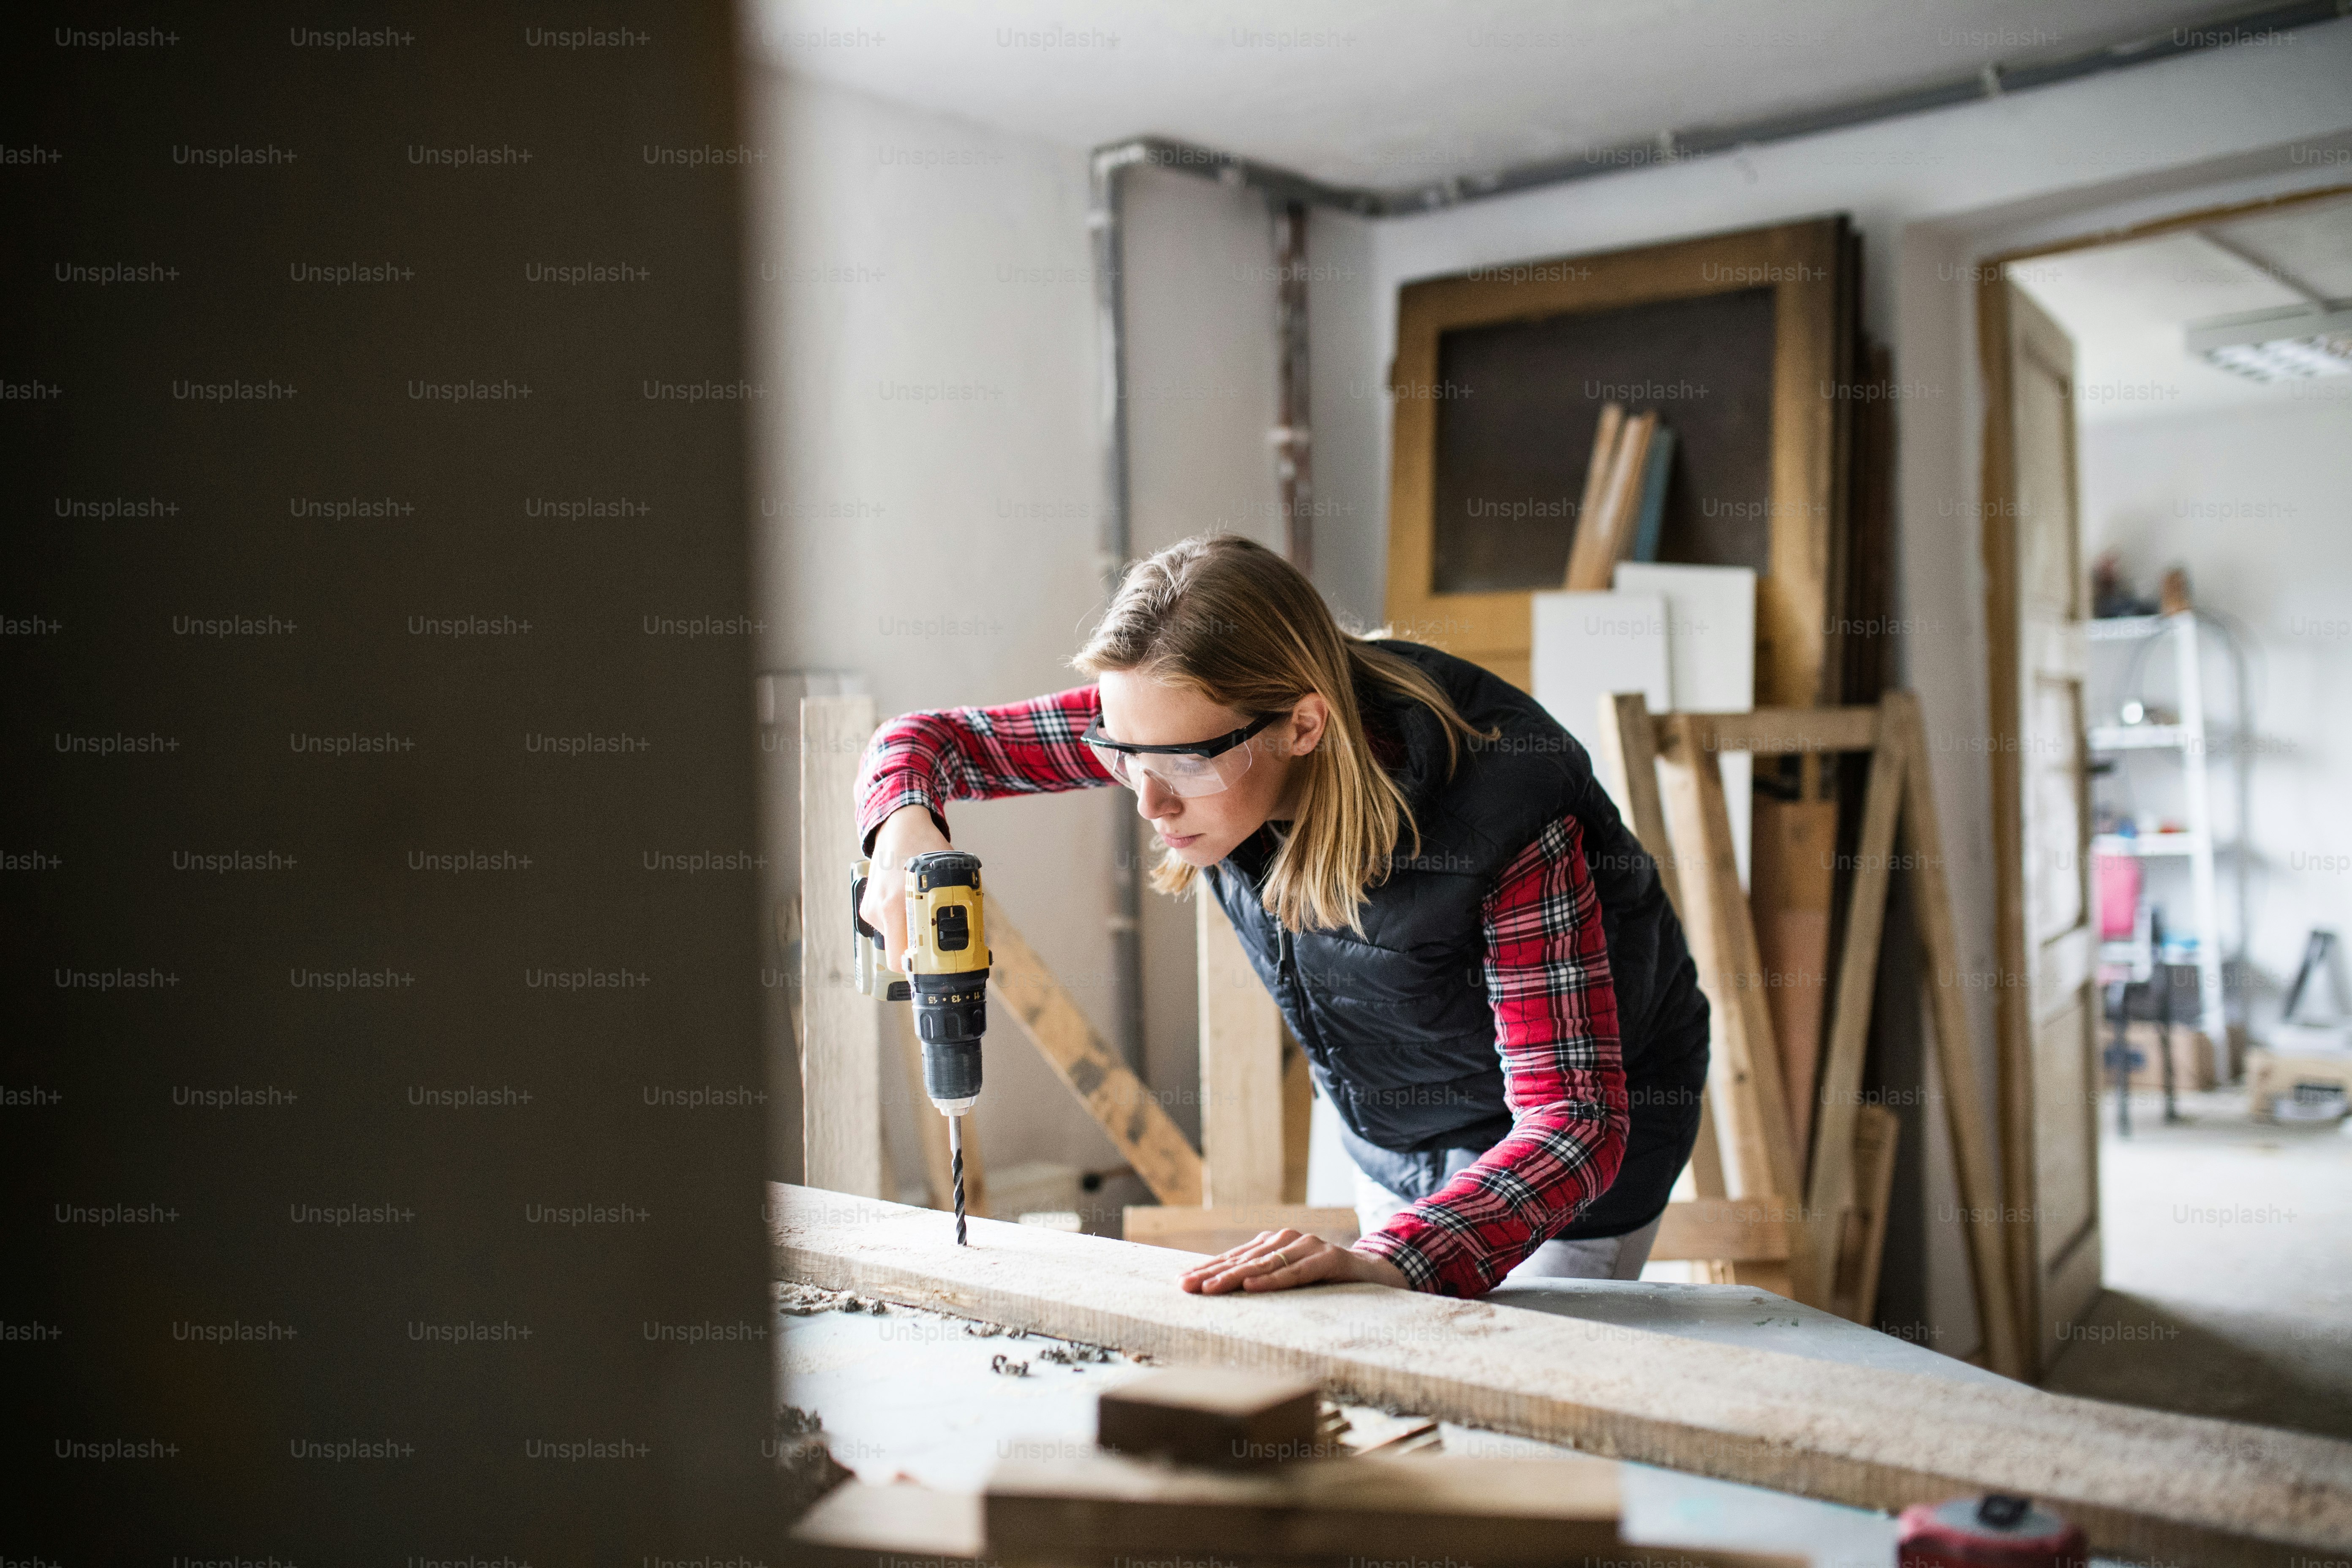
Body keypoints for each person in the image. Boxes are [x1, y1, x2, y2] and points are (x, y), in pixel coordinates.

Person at [853, 534, 1708, 1298]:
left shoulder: (1507, 813)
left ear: (1304, 724)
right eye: (1121, 753)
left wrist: (1392, 1257)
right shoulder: (1175, 724)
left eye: (1180, 764)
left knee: (1523, 1435)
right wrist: (901, 831)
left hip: (1571, 1159)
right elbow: (924, 741)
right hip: (1398, 1124)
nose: (1146, 799)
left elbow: (1574, 1123)